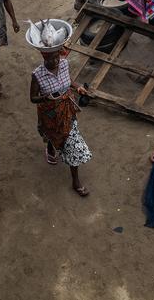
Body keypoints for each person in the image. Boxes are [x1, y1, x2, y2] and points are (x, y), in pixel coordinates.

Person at [29, 43, 91, 196]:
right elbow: (32, 98)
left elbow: (68, 81)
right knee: (52, 133)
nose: (55, 61)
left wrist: (78, 87)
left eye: (57, 57)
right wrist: (45, 97)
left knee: (72, 143)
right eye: (51, 59)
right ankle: (50, 148)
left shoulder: (64, 64)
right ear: (44, 57)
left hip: (67, 110)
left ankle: (75, 182)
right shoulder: (37, 74)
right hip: (49, 113)